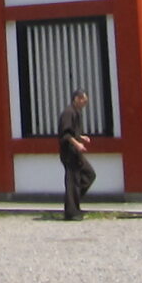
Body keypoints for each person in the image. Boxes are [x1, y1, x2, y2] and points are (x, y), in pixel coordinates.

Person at [57, 89, 96, 220]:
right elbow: (66, 134)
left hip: (76, 153)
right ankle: (71, 212)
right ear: (77, 99)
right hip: (69, 153)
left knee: (89, 175)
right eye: (83, 101)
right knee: (72, 181)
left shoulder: (76, 112)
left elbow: (74, 133)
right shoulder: (68, 113)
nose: (84, 104)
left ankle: (73, 203)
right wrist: (77, 143)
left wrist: (82, 137)